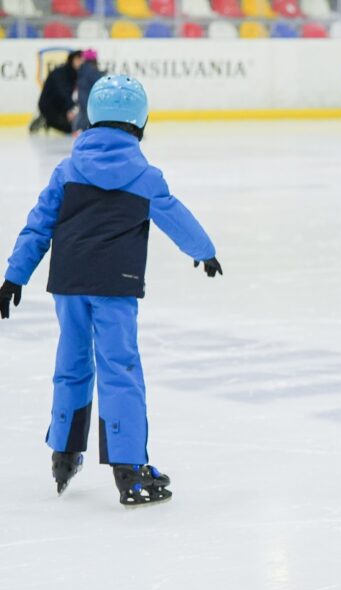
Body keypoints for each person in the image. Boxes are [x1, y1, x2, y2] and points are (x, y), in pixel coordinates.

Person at [0, 75, 224, 507]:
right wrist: (205, 251)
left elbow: (38, 225)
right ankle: (129, 470)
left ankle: (64, 452)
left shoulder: (66, 171)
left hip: (68, 286)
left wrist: (14, 277)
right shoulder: (143, 174)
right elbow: (175, 216)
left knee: (71, 364)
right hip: (114, 289)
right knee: (119, 368)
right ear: (139, 121)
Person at [29, 50, 82, 135]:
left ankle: (48, 121)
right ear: (73, 60)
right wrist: (69, 109)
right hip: (48, 107)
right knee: (70, 128)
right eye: (79, 60)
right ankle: (45, 119)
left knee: (75, 125)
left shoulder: (74, 73)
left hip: (61, 107)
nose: (81, 63)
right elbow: (63, 92)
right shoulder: (60, 73)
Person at [72, 48, 106, 134]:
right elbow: (97, 81)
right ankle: (80, 129)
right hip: (88, 97)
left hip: (82, 96)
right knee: (87, 116)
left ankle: (77, 129)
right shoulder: (91, 69)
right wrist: (102, 75)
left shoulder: (82, 68)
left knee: (83, 114)